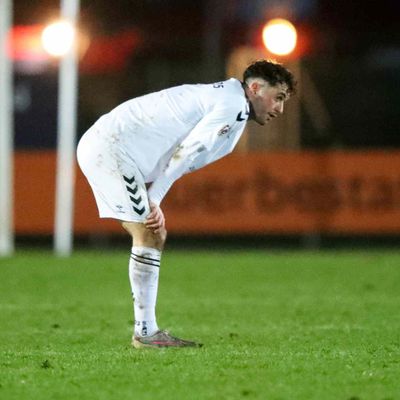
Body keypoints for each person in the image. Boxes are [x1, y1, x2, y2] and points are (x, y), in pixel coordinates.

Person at [77, 59, 296, 349]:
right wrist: (155, 198)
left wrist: (153, 195)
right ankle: (145, 333)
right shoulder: (232, 104)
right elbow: (187, 152)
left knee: (153, 234)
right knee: (149, 232)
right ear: (255, 88)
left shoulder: (230, 102)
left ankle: (147, 331)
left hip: (116, 147)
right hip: (113, 148)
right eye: (278, 97)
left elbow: (183, 155)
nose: (280, 109)